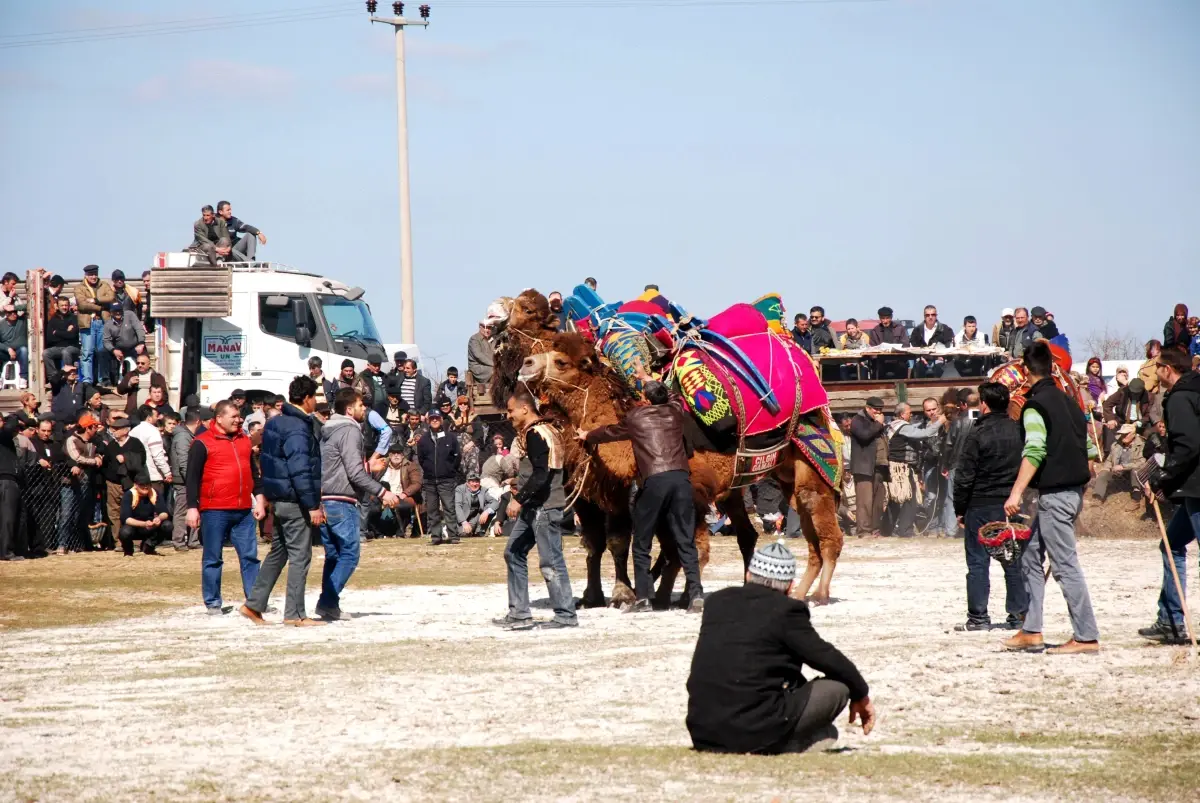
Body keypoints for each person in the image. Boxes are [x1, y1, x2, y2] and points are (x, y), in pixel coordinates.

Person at [686, 540, 873, 754]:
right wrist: (861, 693)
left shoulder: (717, 602)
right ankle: (789, 743)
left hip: (703, 731)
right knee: (838, 688)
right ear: (790, 586)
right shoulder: (787, 610)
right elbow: (827, 657)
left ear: (748, 575)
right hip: (753, 731)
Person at [1002, 341, 1099, 655]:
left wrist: (1015, 493)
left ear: (1025, 371)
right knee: (1030, 555)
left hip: (1056, 495)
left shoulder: (1035, 405)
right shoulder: (1070, 401)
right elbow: (1089, 448)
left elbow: (1034, 450)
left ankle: (1086, 636)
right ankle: (1032, 629)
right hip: (1068, 492)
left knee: (1065, 566)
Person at [581, 375, 705, 611]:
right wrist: (651, 380)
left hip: (654, 481)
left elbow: (610, 432)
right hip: (681, 479)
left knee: (641, 542)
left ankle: (644, 598)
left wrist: (587, 435)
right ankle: (696, 595)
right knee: (685, 540)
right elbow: (675, 396)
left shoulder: (636, 417)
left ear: (645, 400)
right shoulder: (675, 411)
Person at [241, 376, 326, 627]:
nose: (316, 402)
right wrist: (312, 505)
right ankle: (295, 613)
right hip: (295, 499)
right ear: (308, 398)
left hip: (279, 498)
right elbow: (300, 468)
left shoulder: (275, 423)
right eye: (315, 397)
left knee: (278, 552)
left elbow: (268, 463)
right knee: (301, 555)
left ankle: (253, 604)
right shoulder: (298, 427)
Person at [494, 388, 577, 630]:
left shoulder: (537, 433)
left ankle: (566, 615)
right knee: (513, 552)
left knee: (551, 562)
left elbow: (542, 473)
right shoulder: (542, 430)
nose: (509, 416)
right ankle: (519, 613)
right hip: (534, 506)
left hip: (544, 507)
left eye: (510, 411)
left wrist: (519, 499)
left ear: (524, 408)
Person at [951, 382, 1029, 631]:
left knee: (977, 563)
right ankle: (1018, 615)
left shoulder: (977, 433)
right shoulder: (1019, 431)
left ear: (984, 404)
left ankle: (978, 618)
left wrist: (960, 509)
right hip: (1011, 504)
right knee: (1013, 562)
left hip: (980, 504)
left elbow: (964, 476)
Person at [317, 388, 399, 620]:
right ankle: (327, 602)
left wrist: (366, 468)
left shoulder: (329, 429)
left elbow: (339, 467)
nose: (365, 409)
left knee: (334, 555)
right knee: (350, 554)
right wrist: (383, 491)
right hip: (341, 500)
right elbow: (353, 473)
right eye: (362, 405)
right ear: (350, 409)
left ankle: (328, 606)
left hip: (326, 498)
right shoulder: (350, 430)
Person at [1140, 347, 1199, 645]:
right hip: (1191, 487)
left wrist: (1164, 477)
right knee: (1171, 544)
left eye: (1156, 367)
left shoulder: (1179, 397)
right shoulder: (1193, 390)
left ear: (1167, 369)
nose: (1154, 373)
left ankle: (1173, 622)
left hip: (1198, 487)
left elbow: (1188, 446)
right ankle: (1171, 621)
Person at [186, 399, 265, 615]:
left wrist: (259, 499)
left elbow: (253, 473)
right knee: (213, 558)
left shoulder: (245, 441)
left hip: (243, 510)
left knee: (250, 557)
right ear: (219, 418)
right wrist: (192, 507)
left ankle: (255, 601)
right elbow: (191, 478)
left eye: (239, 417)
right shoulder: (201, 442)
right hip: (214, 510)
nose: (238, 420)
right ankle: (213, 603)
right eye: (234, 417)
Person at [883, 403, 944, 538]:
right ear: (902, 414)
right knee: (909, 499)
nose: (911, 415)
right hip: (901, 469)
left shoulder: (893, 425)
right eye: (909, 412)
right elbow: (924, 433)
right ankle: (905, 531)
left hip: (901, 468)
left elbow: (919, 430)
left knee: (897, 500)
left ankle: (888, 529)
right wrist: (940, 421)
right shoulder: (901, 426)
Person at [417, 409, 461, 544]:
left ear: (441, 420)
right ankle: (436, 536)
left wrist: (450, 470)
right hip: (430, 480)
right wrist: (430, 471)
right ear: (428, 421)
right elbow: (421, 459)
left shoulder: (450, 437)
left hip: (446, 479)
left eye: (437, 418)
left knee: (449, 507)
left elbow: (457, 457)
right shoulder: (423, 440)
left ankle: (453, 535)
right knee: (432, 509)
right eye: (432, 418)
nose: (435, 420)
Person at [849, 397, 887, 537]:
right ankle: (864, 531)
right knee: (865, 501)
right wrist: (878, 423)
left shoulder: (876, 422)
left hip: (878, 466)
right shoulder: (858, 421)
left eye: (880, 410)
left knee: (878, 501)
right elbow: (865, 436)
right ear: (867, 408)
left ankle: (875, 529)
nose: (878, 412)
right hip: (864, 466)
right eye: (876, 409)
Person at [368, 442, 422, 538]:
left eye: (399, 453)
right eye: (393, 453)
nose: (396, 455)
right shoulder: (382, 464)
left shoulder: (410, 466)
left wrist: (405, 493)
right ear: (390, 455)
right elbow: (372, 481)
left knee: (402, 506)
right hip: (382, 495)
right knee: (370, 508)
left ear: (402, 455)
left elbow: (417, 483)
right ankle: (377, 532)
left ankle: (400, 531)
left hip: (401, 495)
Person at [73, 264, 115, 386]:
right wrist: (101, 306)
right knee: (87, 352)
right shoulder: (79, 288)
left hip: (102, 322)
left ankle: (103, 379)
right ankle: (87, 380)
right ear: (86, 275)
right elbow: (82, 305)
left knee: (103, 351)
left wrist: (95, 300)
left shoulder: (104, 285)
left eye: (95, 274)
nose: (93, 277)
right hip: (88, 323)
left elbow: (111, 297)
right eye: (91, 274)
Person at [169, 409, 201, 550]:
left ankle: (193, 541)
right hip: (184, 481)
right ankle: (179, 541)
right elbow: (184, 462)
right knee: (182, 511)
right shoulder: (183, 437)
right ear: (198, 422)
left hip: (186, 480)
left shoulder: (186, 435)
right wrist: (191, 480)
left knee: (192, 509)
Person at [117, 472, 170, 556]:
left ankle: (149, 546)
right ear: (135, 485)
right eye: (142, 484)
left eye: (147, 484)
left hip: (151, 526)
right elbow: (126, 519)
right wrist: (144, 524)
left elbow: (165, 513)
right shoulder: (129, 495)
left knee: (167, 525)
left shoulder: (154, 493)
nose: (145, 487)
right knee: (125, 532)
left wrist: (159, 518)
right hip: (135, 527)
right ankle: (128, 551)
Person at [1092, 424, 1146, 501]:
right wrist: (1106, 469)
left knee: (1136, 470)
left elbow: (1141, 462)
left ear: (1133, 434)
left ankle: (1136, 494)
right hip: (1118, 474)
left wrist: (1123, 466)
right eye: (1122, 434)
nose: (1123, 436)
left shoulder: (1142, 445)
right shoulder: (1115, 445)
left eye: (1126, 434)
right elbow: (1109, 460)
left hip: (1132, 473)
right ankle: (1097, 497)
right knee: (1103, 473)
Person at [130, 405, 172, 497]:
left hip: (137, 475)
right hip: (153, 477)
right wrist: (167, 472)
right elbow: (157, 455)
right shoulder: (153, 431)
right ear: (149, 418)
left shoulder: (133, 431)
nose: (157, 418)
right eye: (155, 416)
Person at [101, 303, 147, 384]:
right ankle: (108, 380)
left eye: (119, 310)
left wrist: (141, 343)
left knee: (144, 354)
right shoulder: (108, 325)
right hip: (118, 348)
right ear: (111, 312)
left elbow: (139, 329)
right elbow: (106, 341)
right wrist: (113, 350)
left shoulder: (130, 315)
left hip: (134, 346)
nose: (118, 313)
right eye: (115, 311)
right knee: (103, 352)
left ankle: (144, 376)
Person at [909, 305, 955, 378]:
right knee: (918, 368)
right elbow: (912, 345)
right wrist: (919, 357)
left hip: (939, 359)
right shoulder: (917, 330)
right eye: (927, 315)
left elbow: (950, 345)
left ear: (936, 316)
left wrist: (942, 356)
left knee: (939, 368)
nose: (930, 317)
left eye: (933, 315)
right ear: (924, 316)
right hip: (922, 359)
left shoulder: (945, 329)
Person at [43, 294, 80, 375]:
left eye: (66, 305)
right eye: (62, 305)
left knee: (66, 351)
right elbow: (49, 338)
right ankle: (54, 377)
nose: (64, 307)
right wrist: (66, 331)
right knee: (46, 353)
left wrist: (57, 332)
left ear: (69, 306)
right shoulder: (53, 319)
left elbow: (73, 335)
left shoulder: (74, 318)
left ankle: (69, 377)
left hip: (73, 347)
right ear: (57, 306)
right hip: (58, 347)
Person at [867, 306, 908, 379]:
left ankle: (901, 388)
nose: (885, 321)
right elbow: (871, 348)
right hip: (881, 361)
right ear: (880, 318)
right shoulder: (875, 331)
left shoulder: (900, 328)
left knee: (902, 366)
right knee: (877, 367)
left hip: (897, 360)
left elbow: (906, 344)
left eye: (887, 318)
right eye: (883, 318)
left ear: (891, 317)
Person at [454, 472, 495, 538]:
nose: (475, 484)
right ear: (467, 482)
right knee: (464, 534)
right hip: (462, 520)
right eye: (472, 481)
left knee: (491, 508)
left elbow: (495, 502)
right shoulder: (460, 489)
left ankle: (480, 531)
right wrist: (464, 522)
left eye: (477, 481)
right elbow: (457, 506)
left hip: (475, 519)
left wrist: (486, 512)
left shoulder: (483, 490)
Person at [0, 306, 28, 387]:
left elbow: (29, 306)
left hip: (19, 351)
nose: (13, 314)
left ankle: (23, 378)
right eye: (10, 312)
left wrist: (14, 307)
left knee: (24, 350)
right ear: (6, 314)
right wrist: (8, 349)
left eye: (15, 312)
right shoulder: (1, 325)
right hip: (6, 352)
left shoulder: (22, 321)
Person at [467, 322, 495, 387]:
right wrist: (494, 364)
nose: (487, 330)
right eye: (485, 328)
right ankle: (493, 390)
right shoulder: (474, 339)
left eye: (489, 328)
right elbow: (479, 356)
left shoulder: (492, 339)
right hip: (478, 368)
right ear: (480, 327)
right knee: (494, 371)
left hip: (490, 365)